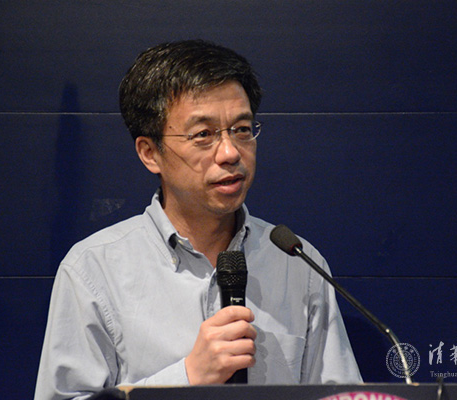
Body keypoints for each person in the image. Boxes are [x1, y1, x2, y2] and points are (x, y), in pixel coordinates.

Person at [34, 40, 362, 400]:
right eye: (203, 135)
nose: (230, 152)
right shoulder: (93, 270)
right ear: (149, 152)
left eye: (241, 129)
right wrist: (188, 376)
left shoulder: (298, 263)